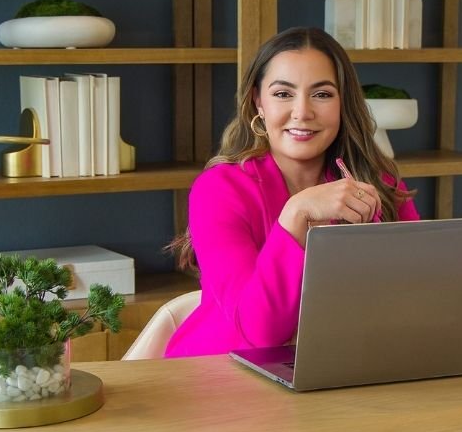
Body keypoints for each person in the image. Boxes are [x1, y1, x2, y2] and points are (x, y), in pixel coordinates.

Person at [165, 25, 419, 359]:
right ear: (259, 102)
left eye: (322, 94)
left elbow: (415, 293)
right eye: (283, 94)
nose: (302, 112)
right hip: (223, 374)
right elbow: (261, 332)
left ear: (344, 103)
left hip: (342, 366)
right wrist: (296, 214)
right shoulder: (218, 190)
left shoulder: (378, 183)